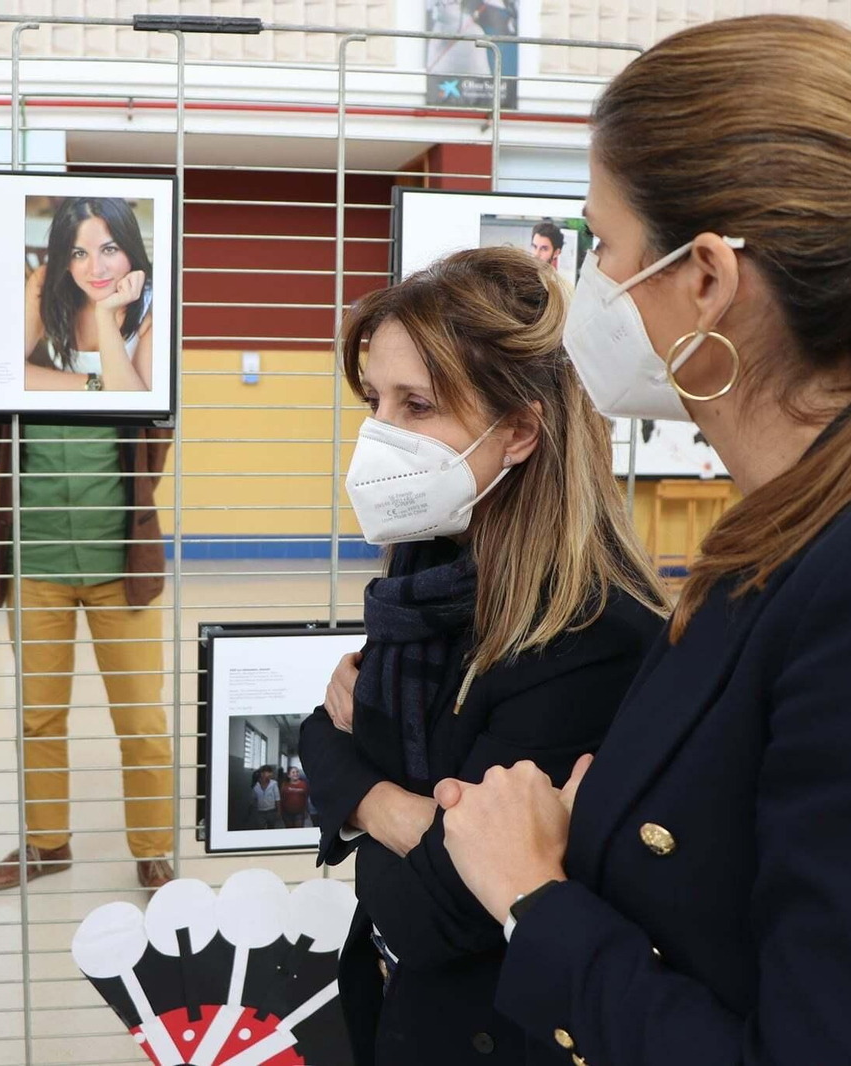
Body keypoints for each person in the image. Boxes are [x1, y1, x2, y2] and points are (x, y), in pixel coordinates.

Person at [430, 17, 851, 1065]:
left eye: (602, 246)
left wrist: (534, 896)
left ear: (704, 275)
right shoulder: (784, 532)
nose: (590, 295)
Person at [298, 247, 666, 1065]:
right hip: (398, 1009)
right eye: (375, 400)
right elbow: (314, 735)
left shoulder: (591, 635)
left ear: (522, 431)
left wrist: (364, 799)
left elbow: (437, 914)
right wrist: (403, 811)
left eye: (417, 404)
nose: (378, 436)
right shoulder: (426, 570)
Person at [0, 412, 174, 892]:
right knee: (38, 717)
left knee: (141, 720)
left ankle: (152, 852)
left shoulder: (121, 354)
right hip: (35, 563)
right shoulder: (22, 356)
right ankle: (47, 844)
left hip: (121, 568)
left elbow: (157, 435)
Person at [23, 197, 153, 393]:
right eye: (79, 254)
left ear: (130, 249)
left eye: (109, 249)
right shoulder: (46, 283)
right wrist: (96, 383)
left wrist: (105, 314)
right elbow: (8, 373)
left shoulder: (155, 306)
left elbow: (141, 411)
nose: (96, 270)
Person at [529, 220, 575, 293]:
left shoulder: (563, 289)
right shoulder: (520, 279)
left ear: (556, 253)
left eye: (544, 249)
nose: (536, 254)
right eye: (534, 247)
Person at [249, 766, 281, 830]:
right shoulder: (256, 786)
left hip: (271, 811)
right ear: (262, 773)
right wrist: (250, 811)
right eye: (268, 772)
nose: (271, 774)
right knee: (260, 828)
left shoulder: (274, 784)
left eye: (271, 772)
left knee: (271, 828)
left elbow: (277, 798)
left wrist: (279, 811)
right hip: (260, 812)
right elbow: (253, 799)